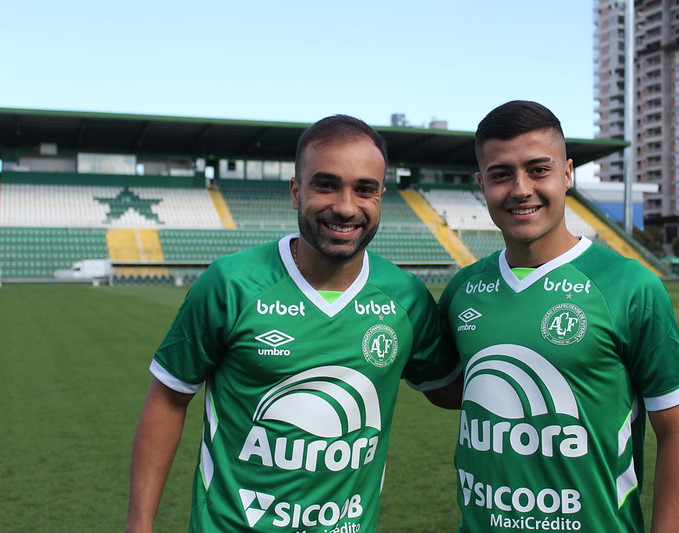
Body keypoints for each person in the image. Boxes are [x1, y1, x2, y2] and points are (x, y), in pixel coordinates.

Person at [126, 115, 461, 533]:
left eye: (364, 189)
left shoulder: (406, 297)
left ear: (381, 198)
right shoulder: (231, 284)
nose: (345, 206)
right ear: (296, 191)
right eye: (326, 184)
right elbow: (168, 398)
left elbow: (455, 390)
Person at [437, 101, 679, 532]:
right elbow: (447, 386)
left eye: (538, 170)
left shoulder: (631, 286)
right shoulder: (463, 289)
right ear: (481, 184)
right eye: (502, 175)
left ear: (567, 174)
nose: (521, 189)